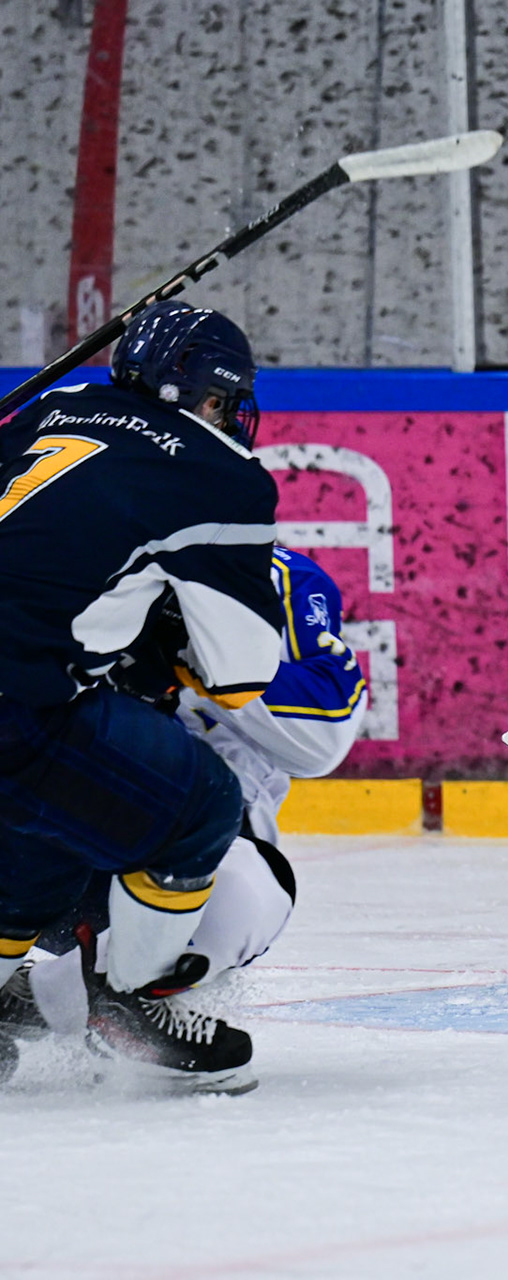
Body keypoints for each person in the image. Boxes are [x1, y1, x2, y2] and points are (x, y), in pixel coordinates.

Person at [0, 301, 281, 1092]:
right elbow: (240, 676)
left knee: (38, 836)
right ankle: (129, 1000)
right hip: (17, 703)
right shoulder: (218, 474)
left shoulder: (52, 408)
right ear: (215, 397)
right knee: (201, 805)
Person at [0, 547, 366, 1082]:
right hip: (46, 838)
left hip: (190, 867)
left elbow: (323, 736)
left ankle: (74, 998)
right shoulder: (67, 552)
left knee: (251, 889)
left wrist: (199, 655)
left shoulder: (277, 577)